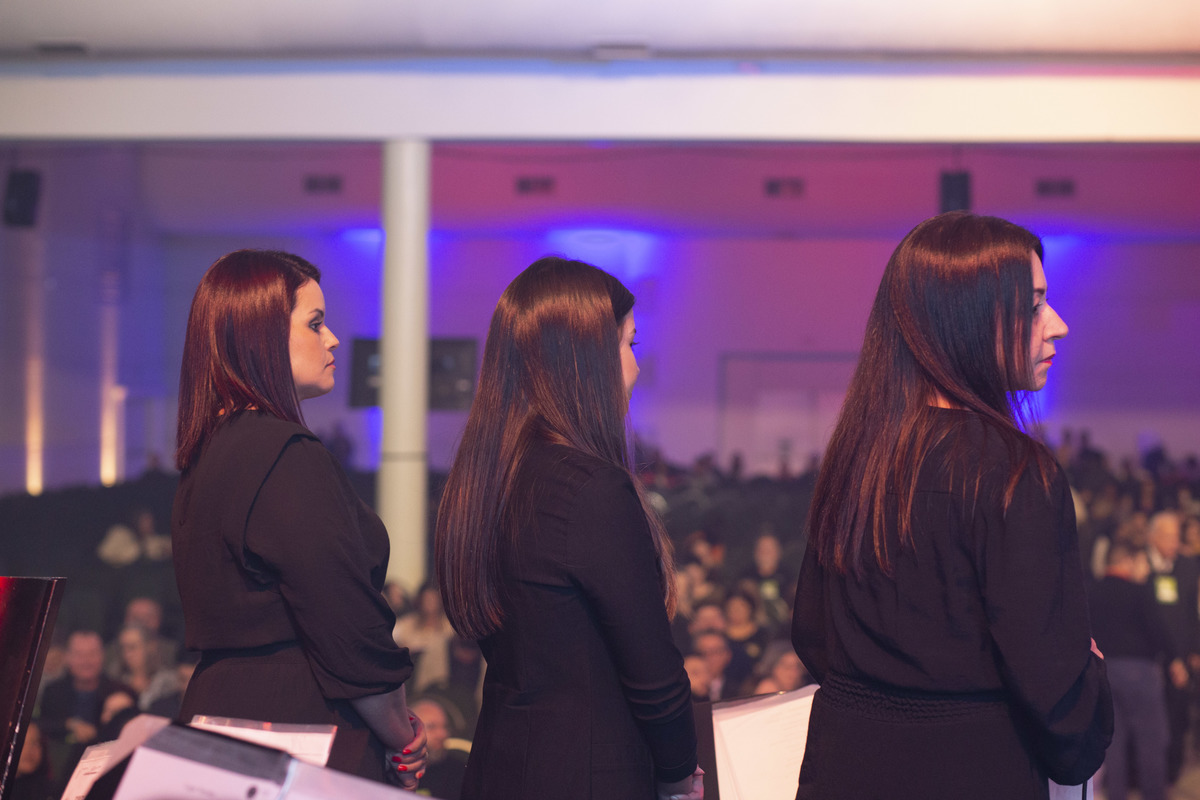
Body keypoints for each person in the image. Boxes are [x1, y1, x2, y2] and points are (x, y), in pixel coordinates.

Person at [792, 211, 1112, 799]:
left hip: (846, 762)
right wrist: (1086, 678)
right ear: (969, 319)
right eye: (1034, 306)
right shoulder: (1013, 471)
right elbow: (1051, 688)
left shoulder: (858, 455)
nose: (1058, 325)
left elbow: (812, 634)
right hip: (974, 768)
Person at [435, 256, 702, 800]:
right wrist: (679, 775)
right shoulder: (590, 487)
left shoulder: (488, 478)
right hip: (587, 773)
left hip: (501, 763)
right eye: (628, 344)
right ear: (586, 360)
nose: (635, 366)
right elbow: (653, 674)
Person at [171, 250, 425, 787]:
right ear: (260, 336)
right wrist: (402, 735)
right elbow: (348, 626)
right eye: (315, 323)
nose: (332, 340)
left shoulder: (208, 452)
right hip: (296, 730)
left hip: (216, 719)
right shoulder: (285, 453)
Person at [1090, 541, 1184, 800]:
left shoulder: (1091, 591)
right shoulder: (1138, 591)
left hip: (1104, 672)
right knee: (1151, 739)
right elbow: (1158, 628)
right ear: (1127, 561)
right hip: (1139, 671)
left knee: (1114, 742)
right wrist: (1174, 659)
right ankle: (1153, 794)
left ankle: (1116, 794)